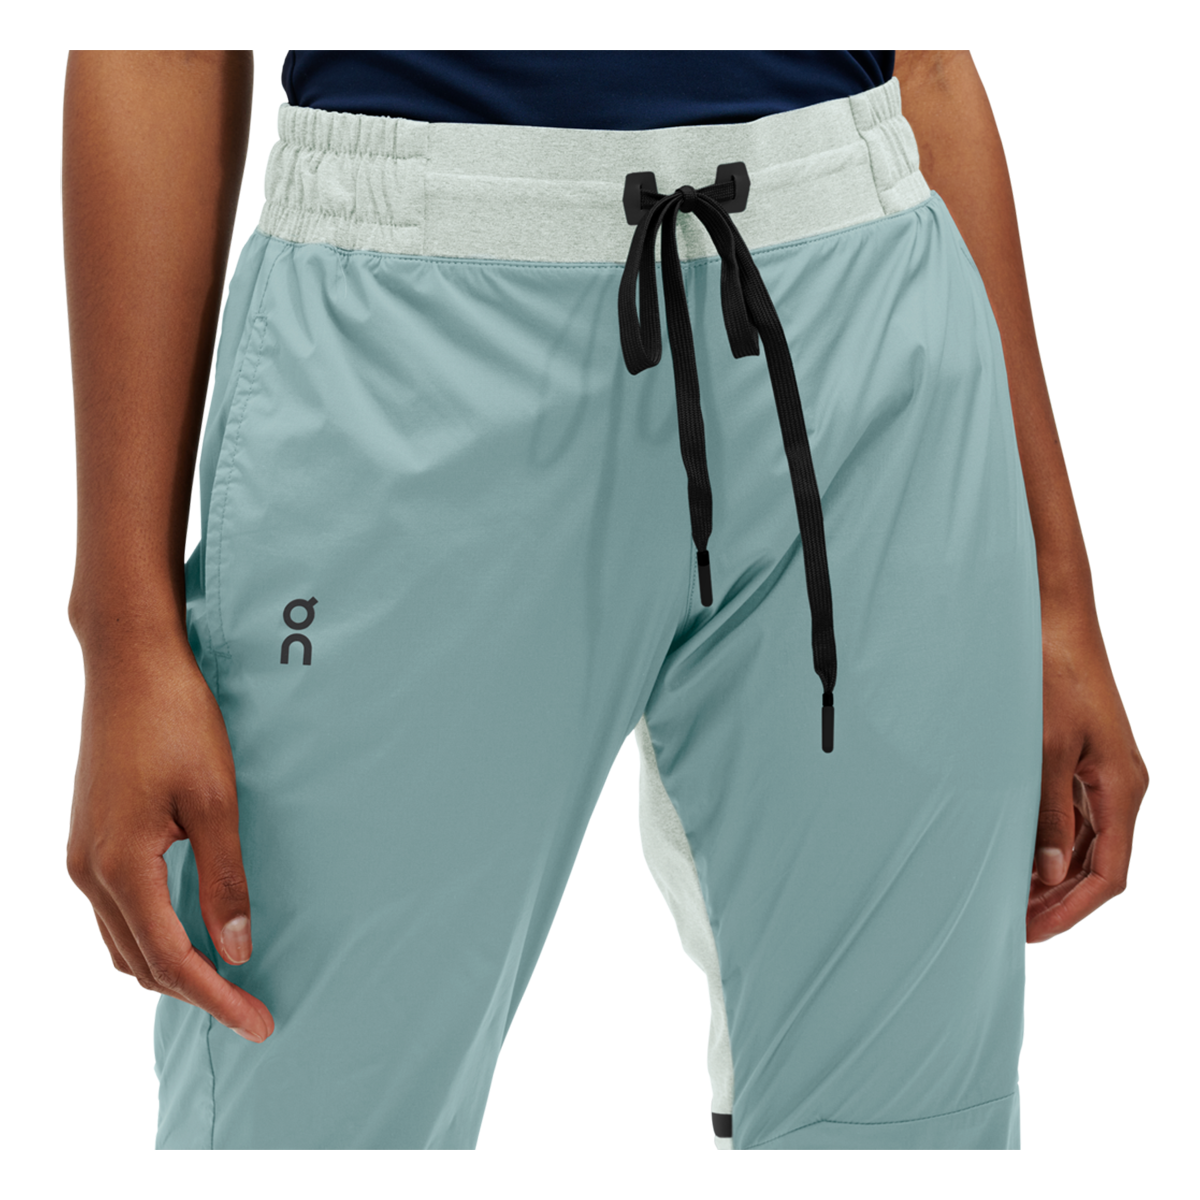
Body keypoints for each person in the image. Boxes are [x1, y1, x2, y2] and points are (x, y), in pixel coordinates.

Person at [62, 50, 1149, 1151]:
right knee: (309, 1121)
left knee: (903, 1131)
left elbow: (932, 66)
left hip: (862, 320)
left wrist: (1061, 598)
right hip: (411, 324)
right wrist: (126, 637)